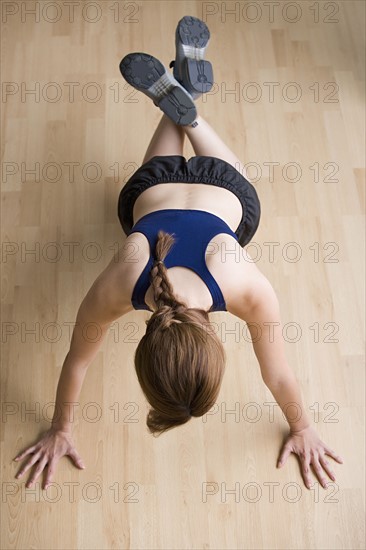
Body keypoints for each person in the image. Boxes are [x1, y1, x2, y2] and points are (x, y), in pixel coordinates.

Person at [13, 16, 343, 491]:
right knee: (155, 183)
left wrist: (303, 426)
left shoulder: (247, 291)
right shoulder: (123, 285)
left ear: (213, 341)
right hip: (156, 186)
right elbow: (77, 360)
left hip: (223, 188)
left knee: (233, 182)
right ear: (144, 344)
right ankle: (178, 108)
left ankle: (188, 109)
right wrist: (59, 430)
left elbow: (279, 373)